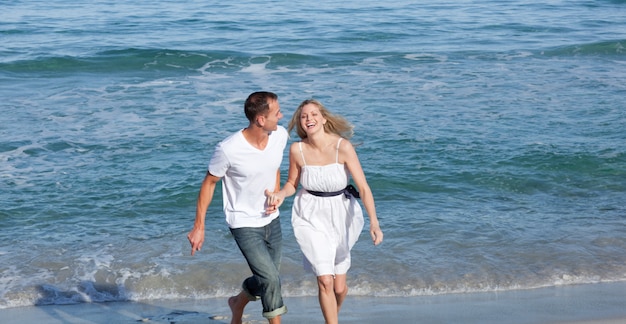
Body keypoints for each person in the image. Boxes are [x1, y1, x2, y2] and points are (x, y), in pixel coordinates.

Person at [265, 99, 383, 324]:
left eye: (313, 114)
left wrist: (374, 222)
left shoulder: (342, 147)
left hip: (341, 214)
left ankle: (332, 315)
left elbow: (364, 187)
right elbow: (292, 184)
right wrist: (280, 195)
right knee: (325, 281)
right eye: (304, 116)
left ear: (324, 119)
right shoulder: (297, 150)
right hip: (310, 215)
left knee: (339, 288)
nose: (309, 118)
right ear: (300, 123)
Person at [187, 91, 288, 324]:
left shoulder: (279, 136)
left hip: (271, 219)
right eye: (277, 112)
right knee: (271, 279)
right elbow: (209, 183)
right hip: (243, 222)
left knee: (268, 277)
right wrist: (199, 226)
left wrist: (275, 193)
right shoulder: (228, 149)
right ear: (260, 119)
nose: (281, 116)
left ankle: (237, 302)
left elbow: (274, 166)